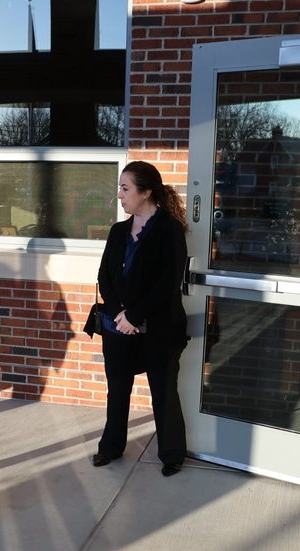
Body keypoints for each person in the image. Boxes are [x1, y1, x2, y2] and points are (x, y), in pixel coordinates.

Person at [92, 161, 189, 477]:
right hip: (118, 326)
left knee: (163, 392)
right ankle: (110, 447)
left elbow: (168, 282)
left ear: (146, 192)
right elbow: (104, 276)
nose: (119, 195)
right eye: (120, 188)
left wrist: (134, 315)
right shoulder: (118, 231)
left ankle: (172, 454)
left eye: (125, 188)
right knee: (117, 389)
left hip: (159, 328)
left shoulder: (169, 230)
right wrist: (120, 313)